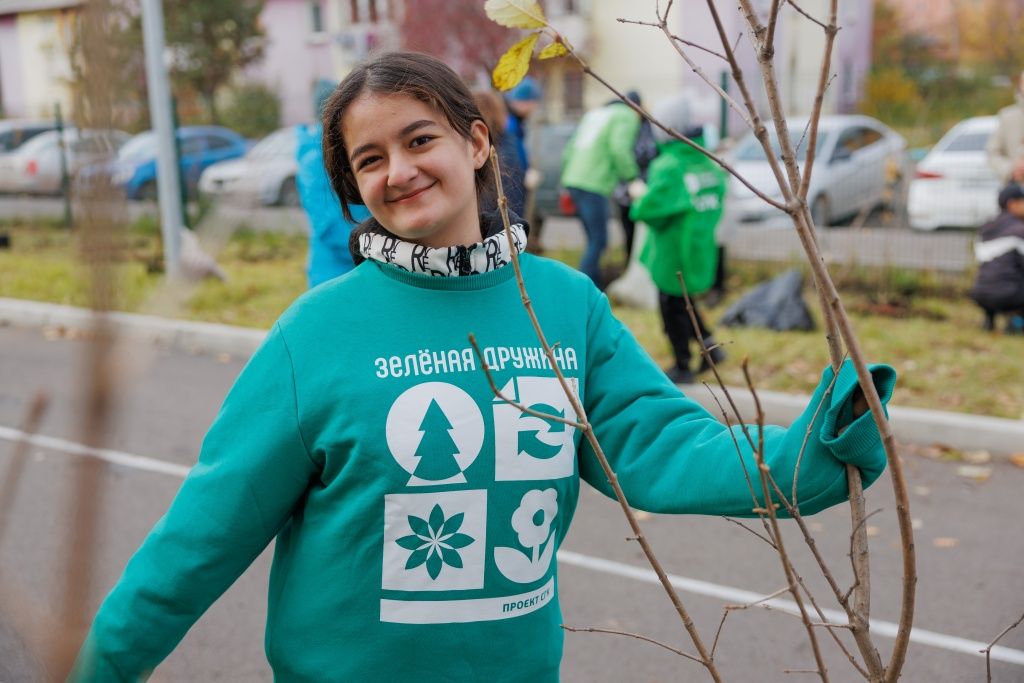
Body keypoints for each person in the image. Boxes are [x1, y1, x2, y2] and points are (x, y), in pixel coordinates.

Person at [70, 52, 896, 682]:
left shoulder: (563, 305)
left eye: (418, 139)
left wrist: (815, 450)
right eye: (369, 159)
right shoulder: (314, 334)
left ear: (474, 143)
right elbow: (200, 538)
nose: (399, 171)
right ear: (354, 187)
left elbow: (662, 443)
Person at [630, 117, 728, 385]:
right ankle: (711, 348)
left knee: (671, 307)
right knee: (685, 300)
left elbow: (649, 208)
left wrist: (638, 199)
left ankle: (682, 364)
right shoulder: (708, 165)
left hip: (672, 248)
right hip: (699, 244)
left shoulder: (670, 165)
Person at [561, 96, 643, 287]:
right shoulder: (626, 116)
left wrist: (566, 178)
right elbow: (619, 149)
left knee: (592, 239)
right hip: (594, 182)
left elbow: (569, 149)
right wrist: (632, 177)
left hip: (573, 179)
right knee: (599, 241)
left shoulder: (594, 114)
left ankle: (595, 283)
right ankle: (581, 288)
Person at [296, 120, 371, 287]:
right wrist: (376, 250)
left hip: (367, 264)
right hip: (334, 274)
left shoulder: (352, 145)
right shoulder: (314, 160)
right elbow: (327, 225)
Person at [611, 90, 658, 266]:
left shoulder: (647, 126)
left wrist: (636, 178)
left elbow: (650, 152)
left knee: (643, 230)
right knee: (628, 229)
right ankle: (629, 262)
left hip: (642, 187)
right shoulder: (621, 124)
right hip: (624, 189)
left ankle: (642, 263)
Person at [970, 182, 1024, 332]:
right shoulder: (1019, 230)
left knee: (995, 275)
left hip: (980, 292)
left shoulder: (987, 228)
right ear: (1012, 204)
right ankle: (1016, 323)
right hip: (1008, 295)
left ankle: (989, 319)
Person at [503, 76, 543, 221]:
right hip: (512, 192)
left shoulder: (516, 123)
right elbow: (510, 161)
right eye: (533, 103)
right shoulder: (509, 124)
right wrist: (523, 175)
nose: (534, 109)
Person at [987, 70, 1024, 183]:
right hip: (1016, 187)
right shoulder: (1007, 116)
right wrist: (1011, 169)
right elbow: (993, 153)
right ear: (1020, 85)